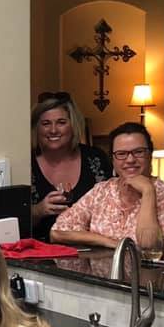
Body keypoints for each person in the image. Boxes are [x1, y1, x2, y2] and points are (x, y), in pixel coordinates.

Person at [51, 121, 164, 254]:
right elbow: (57, 232)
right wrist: (111, 243)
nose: (130, 160)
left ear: (150, 155)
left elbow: (148, 247)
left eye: (138, 152)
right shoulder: (101, 191)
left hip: (150, 274)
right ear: (113, 160)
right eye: (121, 154)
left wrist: (148, 191)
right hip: (102, 273)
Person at [30, 91, 110, 242]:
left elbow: (115, 206)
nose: (53, 130)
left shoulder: (95, 158)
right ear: (36, 128)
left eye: (61, 122)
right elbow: (12, 221)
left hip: (93, 249)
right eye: (46, 124)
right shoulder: (26, 163)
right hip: (40, 254)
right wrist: (38, 211)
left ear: (73, 125)